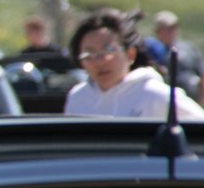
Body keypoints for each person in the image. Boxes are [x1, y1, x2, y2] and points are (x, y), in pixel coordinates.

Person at [63, 8, 204, 119]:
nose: (100, 61)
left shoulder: (155, 95)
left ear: (130, 54)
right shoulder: (78, 98)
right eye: (89, 55)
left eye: (109, 50)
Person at [144, 10, 204, 103]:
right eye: (167, 28)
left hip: (192, 97)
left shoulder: (188, 48)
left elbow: (201, 73)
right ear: (157, 31)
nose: (172, 31)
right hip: (165, 99)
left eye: (174, 27)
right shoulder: (150, 50)